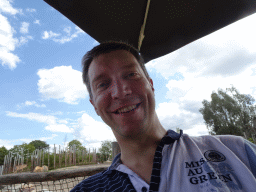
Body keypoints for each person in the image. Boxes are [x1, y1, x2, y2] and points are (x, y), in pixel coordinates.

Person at [71, 41, 256, 192]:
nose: (121, 91)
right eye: (103, 84)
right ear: (94, 104)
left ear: (150, 85)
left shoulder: (238, 152)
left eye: (131, 74)